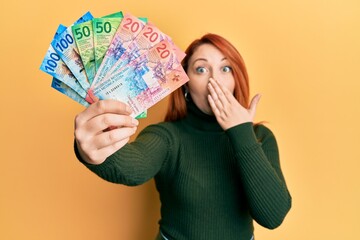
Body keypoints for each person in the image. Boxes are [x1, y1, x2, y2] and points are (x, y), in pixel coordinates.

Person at [74, 33, 292, 240]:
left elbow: (272, 216)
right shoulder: (169, 137)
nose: (214, 80)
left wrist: (241, 132)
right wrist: (92, 150)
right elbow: (132, 169)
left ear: (237, 79)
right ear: (186, 83)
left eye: (225, 68)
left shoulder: (259, 137)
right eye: (201, 70)